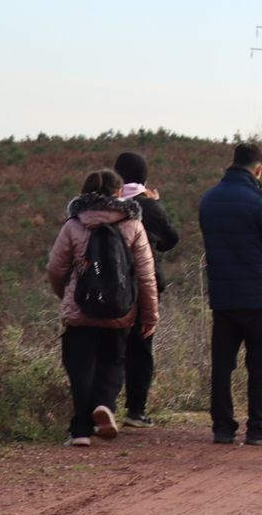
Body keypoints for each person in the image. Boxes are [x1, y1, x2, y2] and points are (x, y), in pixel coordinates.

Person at [47, 169, 159, 446]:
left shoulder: (74, 224)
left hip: (81, 311)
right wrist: (150, 315)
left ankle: (80, 431)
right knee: (113, 362)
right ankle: (105, 405)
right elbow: (145, 275)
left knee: (79, 367)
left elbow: (55, 268)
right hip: (120, 311)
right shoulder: (133, 225)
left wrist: (68, 296)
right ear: (118, 193)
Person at [198, 143, 262, 446]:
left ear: (233, 163)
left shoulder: (209, 200)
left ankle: (223, 428)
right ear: (259, 168)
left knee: (223, 365)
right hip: (258, 296)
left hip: (223, 297)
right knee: (261, 364)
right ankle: (259, 428)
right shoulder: (260, 200)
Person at [111, 152, 179, 429]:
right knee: (141, 348)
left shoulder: (107, 204)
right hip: (143, 286)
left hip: (110, 287)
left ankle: (104, 405)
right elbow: (170, 240)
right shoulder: (149, 207)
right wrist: (157, 204)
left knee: (112, 349)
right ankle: (135, 411)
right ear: (145, 177)